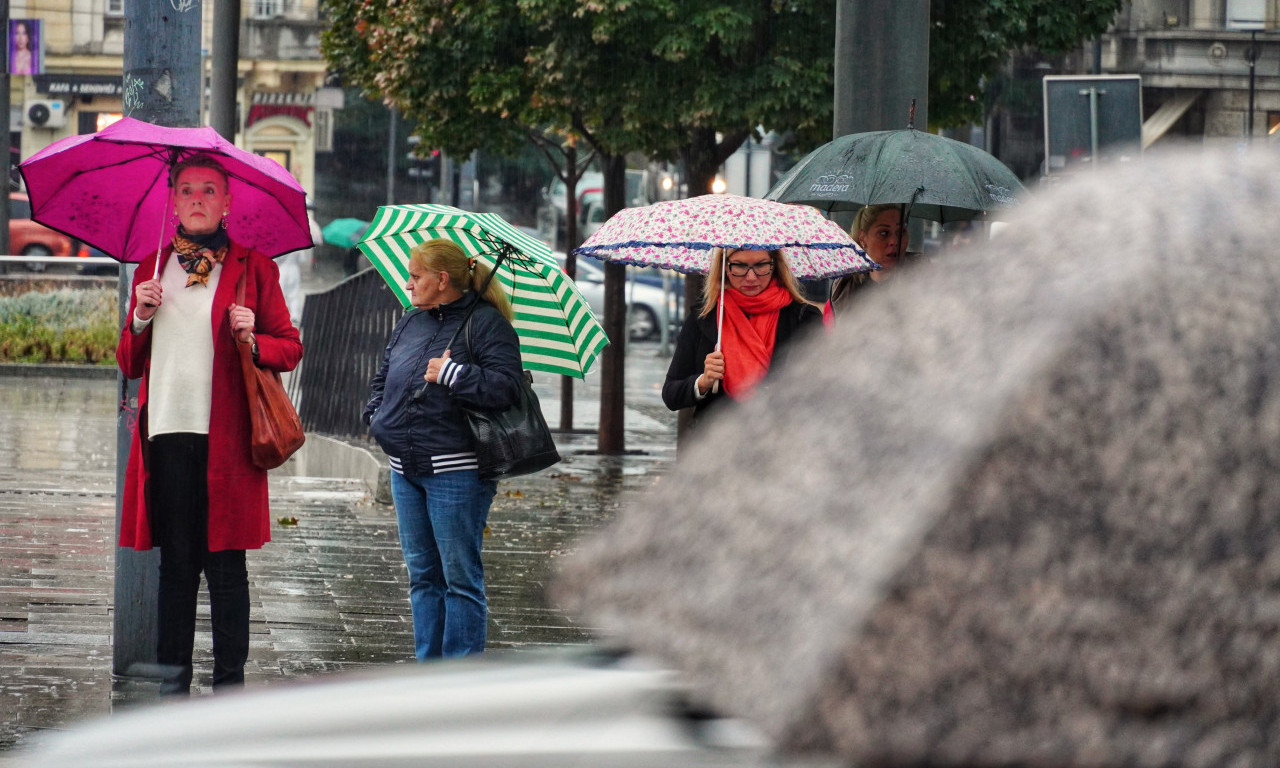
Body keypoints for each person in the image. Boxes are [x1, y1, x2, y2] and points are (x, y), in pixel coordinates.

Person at [117, 153, 303, 695]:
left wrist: (252, 334)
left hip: (227, 440)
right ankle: (173, 685)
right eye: (186, 190)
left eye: (208, 190)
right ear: (172, 200)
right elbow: (129, 362)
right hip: (166, 435)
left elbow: (289, 348)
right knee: (176, 568)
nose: (196, 198)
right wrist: (141, 316)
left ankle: (230, 689)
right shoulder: (150, 270)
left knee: (226, 570)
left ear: (227, 202)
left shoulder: (254, 268)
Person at [363, 238, 523, 660]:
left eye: (416, 276)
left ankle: (459, 679)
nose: (409, 283)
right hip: (405, 469)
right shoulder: (410, 321)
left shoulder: (487, 325)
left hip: (457, 471)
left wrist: (453, 373)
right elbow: (384, 375)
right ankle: (427, 672)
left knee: (459, 579)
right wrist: (376, 416)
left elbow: (506, 388)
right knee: (422, 577)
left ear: (442, 279)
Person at [662, 247, 822, 433]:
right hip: (716, 449)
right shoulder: (705, 317)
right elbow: (671, 394)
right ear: (724, 268)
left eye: (761, 265)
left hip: (782, 447)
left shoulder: (803, 318)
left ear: (775, 265)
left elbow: (823, 391)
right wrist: (703, 382)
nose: (751, 277)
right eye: (739, 266)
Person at [826, 204, 912, 320]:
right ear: (863, 238)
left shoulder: (922, 278)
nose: (894, 241)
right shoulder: (844, 285)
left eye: (901, 232)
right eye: (884, 233)